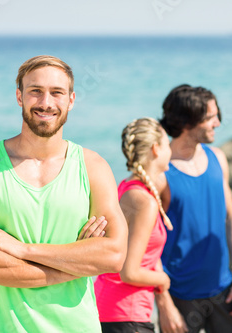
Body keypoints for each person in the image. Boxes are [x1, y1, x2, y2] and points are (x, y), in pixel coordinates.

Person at [0, 55, 128, 332]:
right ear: (19, 97)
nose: (46, 103)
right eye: (35, 91)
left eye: (57, 93)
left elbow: (114, 256)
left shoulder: (93, 167)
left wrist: (26, 250)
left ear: (71, 100)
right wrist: (76, 264)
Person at [155, 84, 232, 333]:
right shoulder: (161, 174)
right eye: (210, 117)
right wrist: (164, 304)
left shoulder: (218, 158)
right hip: (180, 295)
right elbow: (146, 247)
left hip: (224, 289)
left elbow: (231, 218)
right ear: (188, 122)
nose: (217, 123)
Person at [94, 118, 173, 333]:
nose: (170, 149)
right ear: (156, 149)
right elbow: (129, 272)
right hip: (126, 315)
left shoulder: (126, 187)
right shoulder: (144, 201)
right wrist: (164, 280)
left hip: (110, 309)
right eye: (167, 143)